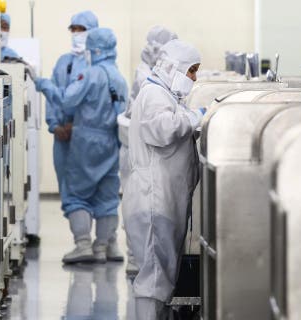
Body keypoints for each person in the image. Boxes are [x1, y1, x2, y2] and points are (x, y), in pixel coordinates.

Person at [122, 39, 205, 319]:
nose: (194, 78)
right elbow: (161, 130)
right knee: (154, 278)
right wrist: (195, 118)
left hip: (161, 199)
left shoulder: (164, 94)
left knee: (160, 276)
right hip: (153, 200)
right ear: (175, 68)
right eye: (192, 71)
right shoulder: (155, 96)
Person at [35, 27, 127, 264]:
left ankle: (83, 244)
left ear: (94, 48)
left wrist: (43, 84)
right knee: (107, 198)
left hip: (86, 140)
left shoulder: (90, 74)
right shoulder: (118, 77)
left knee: (77, 194)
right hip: (111, 141)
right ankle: (102, 247)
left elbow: (67, 99)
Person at [120, 26, 178, 276]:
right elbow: (159, 124)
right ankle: (136, 257)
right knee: (139, 208)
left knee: (141, 207)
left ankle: (138, 258)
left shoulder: (148, 75)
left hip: (137, 153)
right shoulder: (148, 79)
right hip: (139, 154)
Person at [42, 11, 98, 251]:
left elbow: (99, 102)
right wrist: (55, 125)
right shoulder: (63, 62)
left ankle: (105, 242)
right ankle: (82, 240)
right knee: (70, 189)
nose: (76, 34)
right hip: (64, 140)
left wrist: (78, 126)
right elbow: (53, 96)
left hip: (88, 139)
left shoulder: (99, 64)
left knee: (97, 189)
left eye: (81, 29)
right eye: (73, 29)